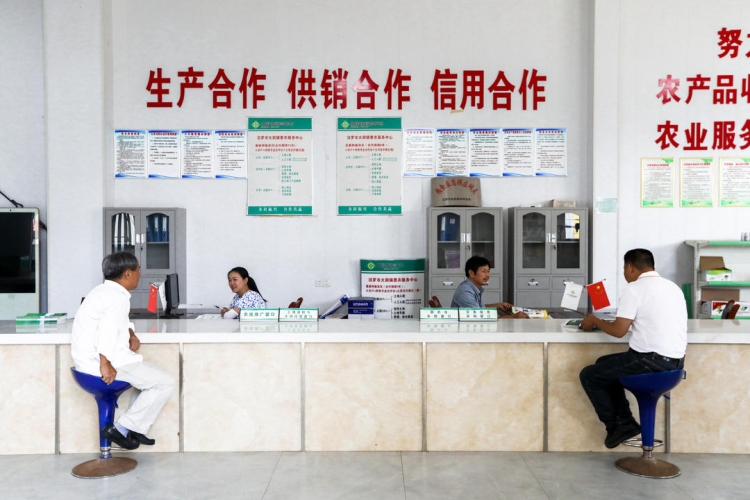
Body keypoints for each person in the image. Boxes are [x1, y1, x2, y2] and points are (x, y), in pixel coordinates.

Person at [579, 248, 687, 449]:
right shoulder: (673, 287)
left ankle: (618, 426)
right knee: (604, 365)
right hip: (675, 365)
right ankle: (625, 421)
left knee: (589, 375)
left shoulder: (634, 288)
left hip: (650, 362)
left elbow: (618, 331)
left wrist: (595, 320)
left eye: (623, 269)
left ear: (629, 267)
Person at [71, 252, 175, 450]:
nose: (140, 275)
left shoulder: (103, 292)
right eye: (138, 270)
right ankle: (121, 429)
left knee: (149, 378)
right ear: (128, 273)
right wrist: (105, 363)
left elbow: (117, 322)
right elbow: (107, 331)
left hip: (86, 362)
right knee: (164, 383)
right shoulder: (117, 298)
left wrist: (131, 334)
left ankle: (135, 428)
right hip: (98, 365)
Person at [451, 256, 529, 319]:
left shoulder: (474, 288)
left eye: (488, 271)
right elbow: (481, 317)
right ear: (471, 273)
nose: (487, 275)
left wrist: (498, 306)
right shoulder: (465, 293)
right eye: (483, 271)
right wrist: (514, 317)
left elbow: (480, 308)